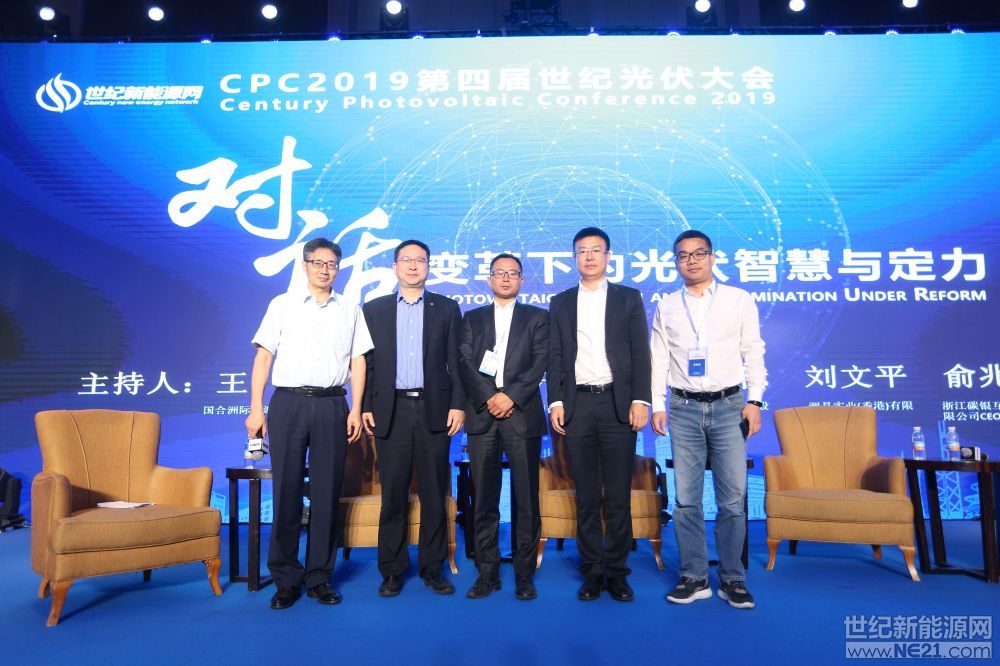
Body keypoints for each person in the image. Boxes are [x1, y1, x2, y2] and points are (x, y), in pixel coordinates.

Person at [245, 238, 372, 610]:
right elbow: (263, 357)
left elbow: (359, 361)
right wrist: (256, 409)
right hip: (288, 402)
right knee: (286, 490)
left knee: (326, 493)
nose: (324, 269)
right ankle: (286, 578)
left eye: (331, 264)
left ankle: (319, 577)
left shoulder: (349, 308)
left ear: (338, 269)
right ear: (304, 266)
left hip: (333, 404)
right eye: (318, 263)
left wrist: (355, 408)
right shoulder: (281, 305)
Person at [650, 229, 766, 610]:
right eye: (683, 255)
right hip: (682, 407)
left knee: (732, 500)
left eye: (699, 253)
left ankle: (732, 578)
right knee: (686, 499)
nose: (692, 261)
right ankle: (694, 576)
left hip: (729, 406)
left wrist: (755, 401)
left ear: (713, 258)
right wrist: (657, 405)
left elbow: (753, 351)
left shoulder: (738, 299)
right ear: (676, 263)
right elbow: (659, 358)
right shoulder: (667, 305)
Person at [547, 227, 651, 602]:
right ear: (574, 258)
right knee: (587, 496)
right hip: (577, 405)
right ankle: (592, 571)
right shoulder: (561, 302)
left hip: (617, 404)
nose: (589, 257)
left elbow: (640, 352)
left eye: (596, 250)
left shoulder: (628, 298)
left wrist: (641, 399)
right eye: (582, 251)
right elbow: (555, 356)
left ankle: (617, 572)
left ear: (608, 256)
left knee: (618, 495)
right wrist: (556, 402)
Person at [361, 240, 465, 597]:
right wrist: (365, 405)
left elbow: (456, 362)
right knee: (393, 494)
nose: (412, 265)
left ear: (428, 267)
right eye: (405, 260)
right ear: (394, 267)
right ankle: (391, 570)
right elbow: (367, 364)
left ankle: (432, 569)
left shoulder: (446, 308)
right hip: (390, 411)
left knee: (434, 494)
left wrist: (458, 404)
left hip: (434, 408)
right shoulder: (374, 309)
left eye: (420, 260)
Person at [458, 253, 549, 601]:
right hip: (483, 416)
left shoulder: (537, 318)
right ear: (489, 279)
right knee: (484, 499)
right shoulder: (472, 318)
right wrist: (489, 397)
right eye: (500, 273)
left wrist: (510, 396)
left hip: (521, 415)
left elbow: (540, 362)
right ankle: (487, 573)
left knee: (525, 498)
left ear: (522, 280)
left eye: (513, 273)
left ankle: (524, 574)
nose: (506, 278)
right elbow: (465, 362)